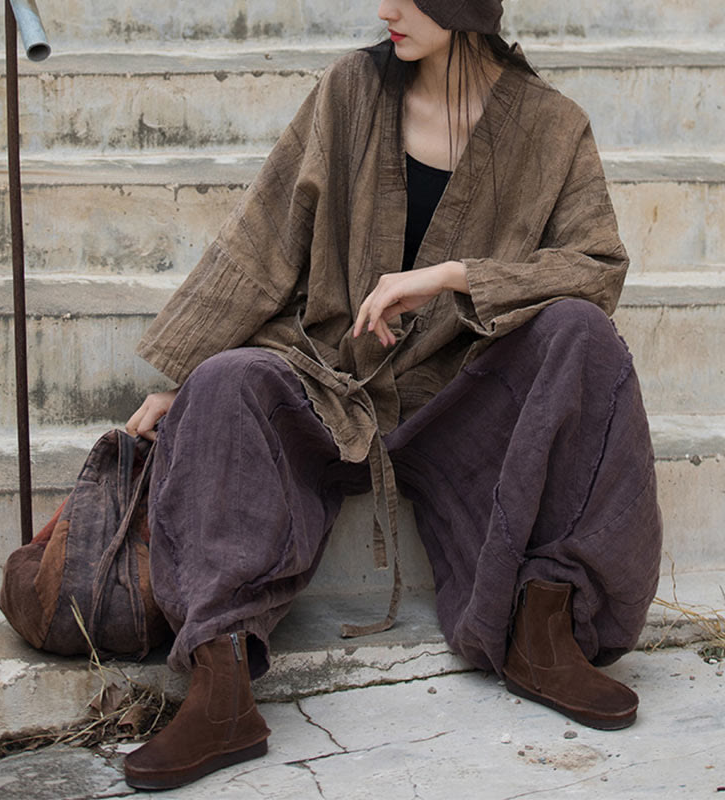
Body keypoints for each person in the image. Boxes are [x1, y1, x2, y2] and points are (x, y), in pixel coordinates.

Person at [122, 0, 663, 790]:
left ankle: (543, 625)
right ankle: (220, 679)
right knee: (226, 380)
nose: (386, 10)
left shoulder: (553, 127)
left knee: (583, 334)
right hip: (331, 382)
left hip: (461, 400)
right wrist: (186, 376)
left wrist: (454, 277)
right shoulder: (350, 91)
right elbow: (265, 238)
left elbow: (597, 266)